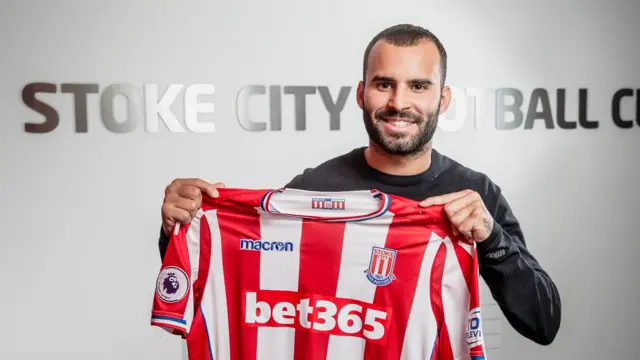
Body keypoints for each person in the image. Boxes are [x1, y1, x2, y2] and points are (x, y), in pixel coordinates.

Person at [157, 24, 561, 346]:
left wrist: (491, 239)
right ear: (361, 93)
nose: (399, 102)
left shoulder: (474, 194)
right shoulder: (312, 190)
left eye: (418, 86)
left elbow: (544, 323)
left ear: (444, 99)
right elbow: (238, 279)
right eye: (384, 84)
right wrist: (181, 226)